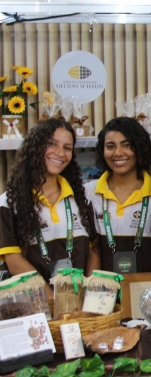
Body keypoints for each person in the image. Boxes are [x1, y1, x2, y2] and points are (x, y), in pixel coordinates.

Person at [0, 120, 99, 291]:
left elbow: (94, 251)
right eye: (52, 144)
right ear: (35, 147)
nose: (60, 153)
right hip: (35, 307)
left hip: (79, 305)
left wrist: (88, 295)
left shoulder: (83, 197)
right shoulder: (9, 203)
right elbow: (14, 262)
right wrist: (53, 302)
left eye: (67, 148)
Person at [86, 117, 151, 273]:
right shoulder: (88, 193)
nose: (118, 153)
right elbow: (90, 251)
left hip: (145, 291)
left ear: (139, 148)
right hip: (103, 292)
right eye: (110, 146)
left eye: (127, 145)